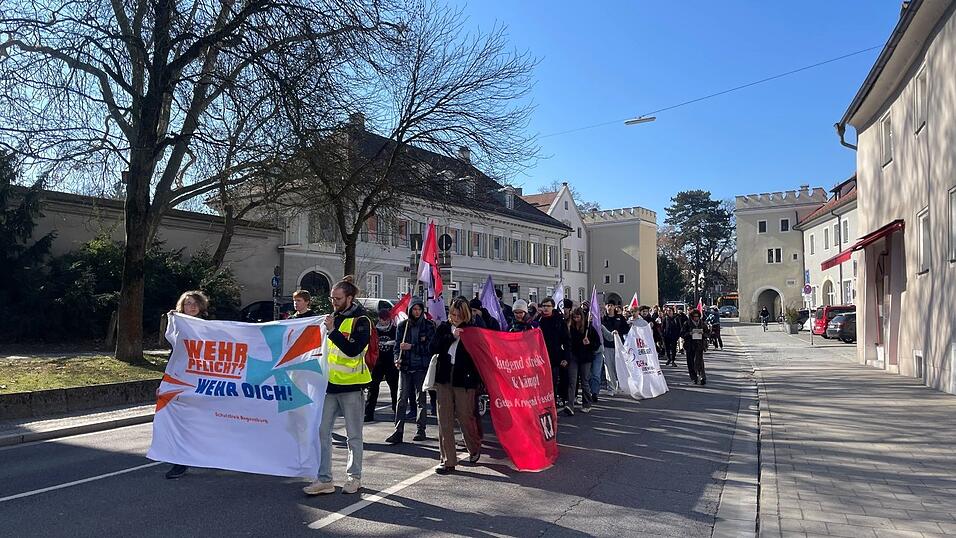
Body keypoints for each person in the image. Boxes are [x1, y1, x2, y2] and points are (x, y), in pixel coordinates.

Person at [303, 276, 371, 496]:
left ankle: (354, 478)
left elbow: (353, 351)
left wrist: (332, 332)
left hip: (352, 385)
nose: (333, 301)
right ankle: (324, 479)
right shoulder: (331, 318)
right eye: (332, 297)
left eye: (338, 298)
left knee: (354, 435)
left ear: (349, 298)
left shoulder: (362, 320)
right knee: (322, 431)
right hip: (329, 386)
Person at [430, 298, 483, 474]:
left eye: (458, 315)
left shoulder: (473, 330)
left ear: (465, 315)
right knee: (444, 419)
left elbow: (480, 357)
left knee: (465, 416)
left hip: (465, 380)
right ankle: (448, 460)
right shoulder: (444, 328)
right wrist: (451, 336)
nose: (454, 318)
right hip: (444, 377)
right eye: (452, 314)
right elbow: (434, 347)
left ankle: (474, 447)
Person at [164, 290, 210, 480]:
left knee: (201, 421)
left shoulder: (208, 328)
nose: (191, 306)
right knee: (180, 421)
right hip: (181, 379)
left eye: (194, 303)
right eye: (187, 303)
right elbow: (174, 356)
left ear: (200, 307)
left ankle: (207, 454)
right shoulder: (178, 326)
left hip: (202, 380)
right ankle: (180, 461)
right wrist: (165, 383)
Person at [386, 298, 435, 444]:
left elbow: (430, 348)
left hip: (421, 367)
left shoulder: (428, 326)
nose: (417, 312)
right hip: (405, 367)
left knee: (421, 399)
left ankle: (421, 429)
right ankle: (398, 430)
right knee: (401, 400)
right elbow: (397, 347)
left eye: (419, 309)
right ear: (410, 310)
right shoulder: (403, 326)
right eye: (414, 309)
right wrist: (396, 359)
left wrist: (412, 347)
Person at [365, 308, 398, 422]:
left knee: (394, 388)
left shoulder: (394, 329)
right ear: (379, 319)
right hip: (377, 363)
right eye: (382, 320)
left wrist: (392, 343)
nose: (384, 322)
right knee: (373, 388)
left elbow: (398, 343)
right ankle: (369, 413)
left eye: (386, 320)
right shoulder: (374, 330)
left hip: (391, 363)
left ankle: (397, 411)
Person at [537, 296, 570, 407]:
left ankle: (552, 403)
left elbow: (566, 340)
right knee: (540, 382)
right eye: (543, 306)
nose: (545, 308)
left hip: (554, 357)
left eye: (548, 306)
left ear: (553, 307)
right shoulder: (538, 320)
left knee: (552, 381)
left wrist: (566, 357)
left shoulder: (559, 321)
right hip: (539, 357)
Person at [567, 307, 599, 415]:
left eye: (578, 317)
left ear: (582, 317)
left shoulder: (588, 328)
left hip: (585, 357)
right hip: (574, 357)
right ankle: (570, 405)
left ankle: (587, 403)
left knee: (584, 381)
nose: (576, 319)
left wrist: (589, 343)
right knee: (572, 381)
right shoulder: (570, 327)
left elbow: (597, 343)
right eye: (574, 317)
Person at [600, 303, 628, 395]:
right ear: (606, 307)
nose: (610, 307)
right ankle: (611, 387)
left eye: (611, 305)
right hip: (607, 345)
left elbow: (626, 329)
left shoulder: (620, 318)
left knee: (619, 366)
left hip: (618, 346)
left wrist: (618, 332)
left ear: (614, 307)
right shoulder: (603, 318)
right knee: (609, 367)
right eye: (608, 305)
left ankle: (620, 385)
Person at [682, 309, 710, 385]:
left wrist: (703, 333)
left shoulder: (702, 323)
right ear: (691, 317)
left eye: (697, 316)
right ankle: (694, 377)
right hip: (690, 345)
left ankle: (702, 377)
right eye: (694, 316)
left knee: (699, 361)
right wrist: (689, 333)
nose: (696, 318)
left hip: (699, 345)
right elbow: (682, 334)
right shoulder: (687, 323)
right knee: (690, 362)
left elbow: (708, 333)